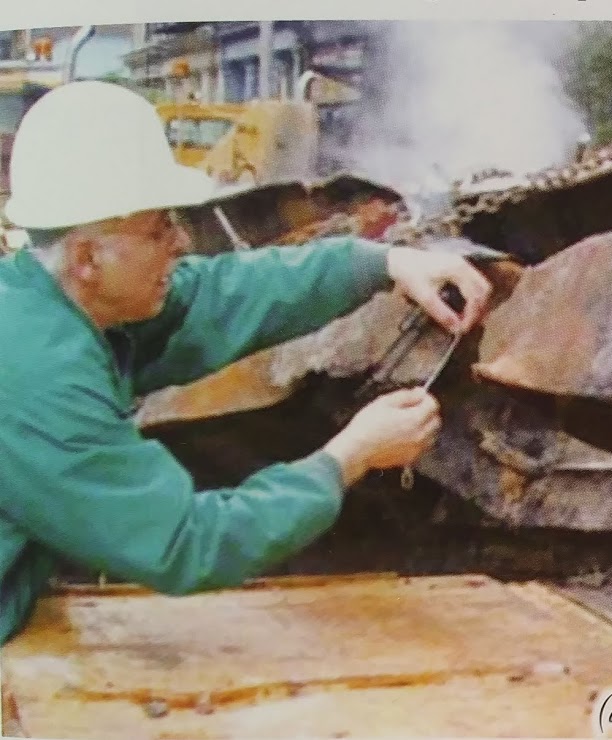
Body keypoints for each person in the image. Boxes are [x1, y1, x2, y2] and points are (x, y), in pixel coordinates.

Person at [0, 80, 493, 642]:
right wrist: (350, 455)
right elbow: (186, 544)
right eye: (159, 229)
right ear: (88, 257)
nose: (181, 242)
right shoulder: (36, 377)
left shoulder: (50, 299)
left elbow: (220, 293)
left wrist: (383, 262)